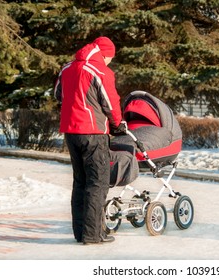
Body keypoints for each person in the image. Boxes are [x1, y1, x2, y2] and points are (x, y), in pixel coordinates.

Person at [54, 37, 127, 245]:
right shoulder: (100, 71)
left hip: (71, 132)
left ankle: (80, 232)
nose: (110, 62)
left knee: (80, 181)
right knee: (98, 183)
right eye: (110, 58)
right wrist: (118, 124)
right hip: (93, 132)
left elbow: (59, 94)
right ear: (106, 55)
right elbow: (111, 102)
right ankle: (93, 234)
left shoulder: (67, 67)